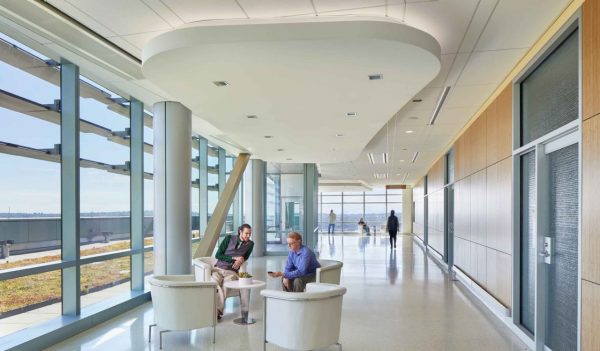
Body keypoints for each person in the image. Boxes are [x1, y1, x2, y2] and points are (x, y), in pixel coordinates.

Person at [211, 223, 254, 319]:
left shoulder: (250, 244)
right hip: (218, 268)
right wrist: (234, 258)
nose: (248, 236)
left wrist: (241, 260)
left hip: (231, 271)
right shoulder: (228, 238)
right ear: (240, 232)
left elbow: (245, 257)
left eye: (250, 234)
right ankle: (213, 310)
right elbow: (218, 255)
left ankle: (217, 312)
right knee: (214, 284)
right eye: (246, 233)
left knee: (226, 286)